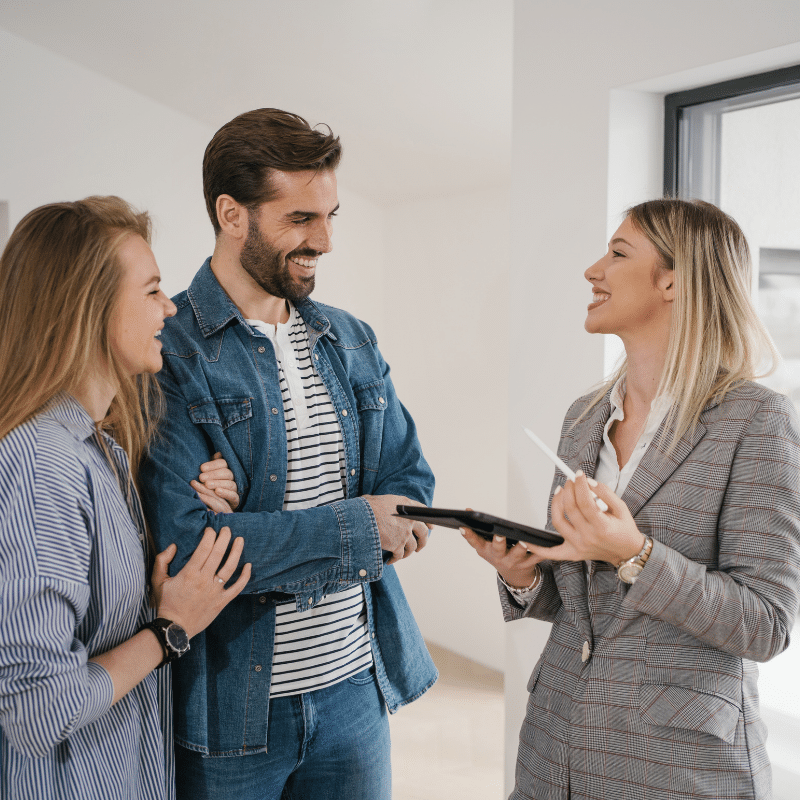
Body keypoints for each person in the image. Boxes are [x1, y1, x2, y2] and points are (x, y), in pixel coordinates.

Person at [138, 108, 436, 800]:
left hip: (356, 691)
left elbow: (410, 482)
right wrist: (363, 526)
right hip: (234, 711)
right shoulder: (170, 350)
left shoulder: (352, 339)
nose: (325, 240)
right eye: (301, 218)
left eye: (331, 215)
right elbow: (189, 549)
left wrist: (256, 531)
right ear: (231, 213)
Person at [464, 198, 800, 800]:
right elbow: (578, 603)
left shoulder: (756, 420)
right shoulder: (584, 417)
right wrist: (523, 578)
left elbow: (765, 623)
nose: (593, 270)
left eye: (618, 254)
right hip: (554, 752)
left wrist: (635, 553)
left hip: (675, 768)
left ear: (674, 279)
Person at [0, 196, 252, 800]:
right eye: (151, 291)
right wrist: (170, 629)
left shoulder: (102, 449)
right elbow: (38, 710)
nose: (170, 307)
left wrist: (204, 497)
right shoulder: (43, 464)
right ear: (89, 309)